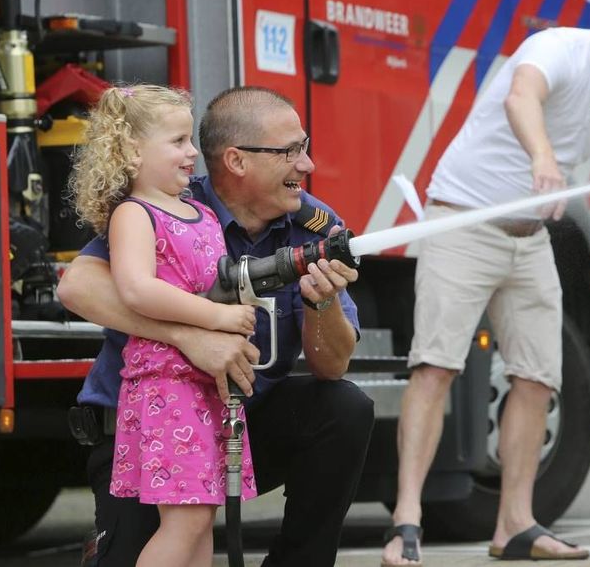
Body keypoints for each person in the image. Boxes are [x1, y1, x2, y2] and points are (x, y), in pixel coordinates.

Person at [381, 0, 590, 566]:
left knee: (538, 379)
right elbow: (523, 96)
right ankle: (405, 524)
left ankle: (514, 525)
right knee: (435, 368)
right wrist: (543, 156)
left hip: (529, 239)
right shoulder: (558, 49)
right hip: (463, 221)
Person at [58, 86, 375, 567]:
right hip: (145, 427)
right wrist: (192, 336)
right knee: (165, 544)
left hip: (231, 421)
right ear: (237, 160)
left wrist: (323, 301)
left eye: (304, 148)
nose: (306, 165)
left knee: (345, 408)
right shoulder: (167, 205)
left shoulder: (313, 226)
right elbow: (78, 286)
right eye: (290, 151)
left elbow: (332, 365)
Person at [69, 84, 259, 566]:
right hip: (166, 386)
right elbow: (136, 289)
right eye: (177, 142)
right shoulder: (135, 215)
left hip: (204, 388)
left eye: (189, 139)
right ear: (132, 150)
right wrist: (216, 317)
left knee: (202, 517)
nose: (192, 152)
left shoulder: (201, 214)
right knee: (185, 520)